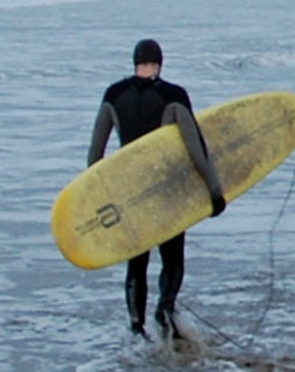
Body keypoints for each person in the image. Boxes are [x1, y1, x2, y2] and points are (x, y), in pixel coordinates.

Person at [87, 38, 224, 341]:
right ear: (160, 63)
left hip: (130, 192)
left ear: (134, 62)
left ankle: (136, 328)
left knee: (137, 261)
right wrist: (214, 191)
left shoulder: (114, 94)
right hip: (166, 190)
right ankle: (165, 310)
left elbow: (95, 154)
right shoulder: (173, 96)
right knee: (172, 256)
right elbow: (196, 149)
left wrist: (97, 200)